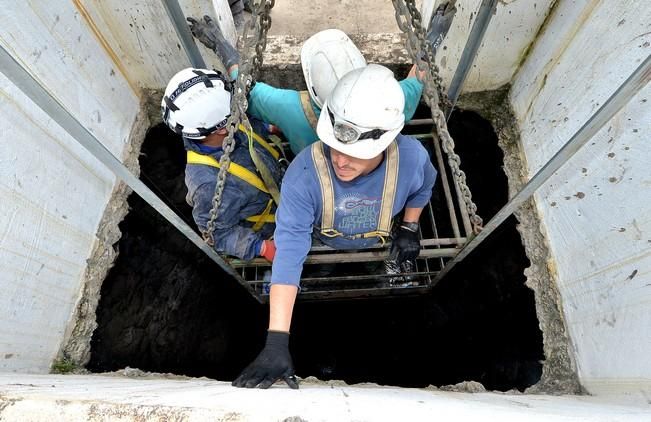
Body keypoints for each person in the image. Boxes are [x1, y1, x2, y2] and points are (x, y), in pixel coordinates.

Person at [231, 64, 438, 389]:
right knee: (316, 269)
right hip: (322, 242)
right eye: (335, 147)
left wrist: (410, 227)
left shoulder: (411, 158)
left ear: (386, 141)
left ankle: (381, 273)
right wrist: (276, 341)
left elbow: (424, 187)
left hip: (375, 242)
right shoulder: (304, 174)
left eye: (355, 154)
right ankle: (320, 279)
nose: (341, 161)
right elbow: (289, 254)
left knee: (375, 267)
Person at [187, 3, 455, 155]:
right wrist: (432, 39)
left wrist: (221, 46)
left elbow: (246, 88)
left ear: (310, 84)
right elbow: (417, 75)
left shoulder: (289, 108)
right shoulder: (388, 103)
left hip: (313, 174)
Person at [161, 67, 283, 261]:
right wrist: (262, 248)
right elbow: (219, 234)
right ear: (220, 130)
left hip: (283, 182)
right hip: (273, 224)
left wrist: (268, 128)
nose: (240, 111)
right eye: (235, 110)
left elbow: (249, 124)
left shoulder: (226, 124)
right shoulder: (207, 184)